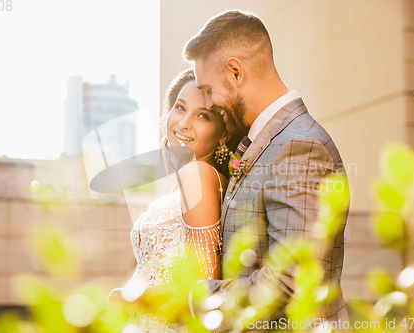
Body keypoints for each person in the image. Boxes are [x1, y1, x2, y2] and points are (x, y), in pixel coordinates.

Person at [182, 10, 350, 332]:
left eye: (207, 89)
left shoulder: (298, 145)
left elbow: (288, 283)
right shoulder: (268, 139)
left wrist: (193, 297)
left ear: (235, 71)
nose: (208, 102)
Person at [109, 69, 237, 332]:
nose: (184, 122)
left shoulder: (197, 174)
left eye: (203, 115)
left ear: (223, 133)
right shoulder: (201, 178)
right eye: (180, 107)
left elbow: (202, 288)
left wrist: (127, 299)